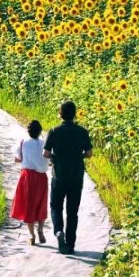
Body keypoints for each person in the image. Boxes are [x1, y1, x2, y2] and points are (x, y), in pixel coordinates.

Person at [43, 100, 92, 255]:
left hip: (59, 175)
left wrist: (55, 157)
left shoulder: (54, 131)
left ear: (60, 114)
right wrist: (80, 155)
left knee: (56, 206)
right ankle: (70, 245)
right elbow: (89, 154)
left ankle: (58, 231)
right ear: (75, 114)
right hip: (76, 176)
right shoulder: (82, 132)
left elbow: (45, 153)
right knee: (72, 211)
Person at [10, 120, 49, 245]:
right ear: (40, 131)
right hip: (42, 177)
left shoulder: (23, 143)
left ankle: (31, 235)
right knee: (41, 203)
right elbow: (49, 160)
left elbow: (17, 159)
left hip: (27, 177)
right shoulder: (44, 144)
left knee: (29, 205)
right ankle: (41, 230)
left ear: (28, 131)